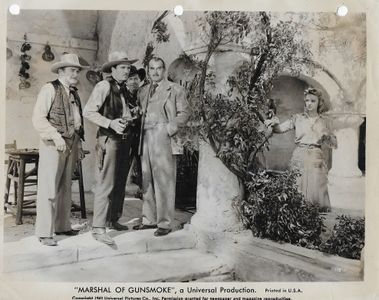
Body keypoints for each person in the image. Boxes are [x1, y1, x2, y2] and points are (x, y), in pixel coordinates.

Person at [83, 51, 139, 245]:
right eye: (122, 67)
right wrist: (110, 123)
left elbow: (123, 112)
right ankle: (98, 228)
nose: (126, 70)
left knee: (120, 182)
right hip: (110, 140)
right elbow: (88, 111)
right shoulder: (104, 85)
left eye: (128, 67)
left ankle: (113, 220)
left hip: (125, 141)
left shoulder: (124, 89)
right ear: (113, 69)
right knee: (106, 183)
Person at [32, 53, 88, 246]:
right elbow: (38, 118)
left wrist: (78, 143)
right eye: (72, 70)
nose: (76, 74)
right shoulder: (49, 89)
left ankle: (62, 226)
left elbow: (78, 122)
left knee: (65, 186)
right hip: (52, 144)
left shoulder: (74, 93)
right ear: (61, 71)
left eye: (77, 71)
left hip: (71, 144)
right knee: (49, 187)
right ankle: (44, 232)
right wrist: (55, 136)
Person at [133, 57, 190, 236]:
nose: (155, 72)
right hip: (146, 136)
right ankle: (149, 220)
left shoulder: (176, 90)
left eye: (159, 68)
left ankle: (164, 223)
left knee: (164, 181)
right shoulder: (142, 91)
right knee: (146, 179)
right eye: (152, 69)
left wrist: (169, 128)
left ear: (164, 70)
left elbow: (185, 112)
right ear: (148, 71)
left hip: (163, 136)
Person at [265, 87, 337, 212]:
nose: (309, 103)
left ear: (319, 102)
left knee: (316, 197)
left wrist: (327, 137)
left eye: (313, 101)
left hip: (316, 157)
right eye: (307, 100)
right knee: (297, 190)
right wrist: (272, 121)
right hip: (300, 155)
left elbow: (334, 144)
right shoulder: (297, 118)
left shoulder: (325, 122)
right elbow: (279, 129)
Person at [125, 66, 146, 193]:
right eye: (130, 78)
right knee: (123, 166)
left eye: (136, 78)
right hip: (126, 135)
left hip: (142, 136)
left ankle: (143, 191)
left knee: (142, 166)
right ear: (126, 81)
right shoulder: (122, 95)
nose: (133, 81)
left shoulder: (143, 94)